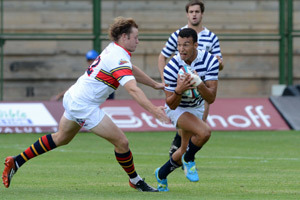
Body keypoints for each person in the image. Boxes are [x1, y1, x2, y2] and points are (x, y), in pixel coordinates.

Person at [2, 16, 169, 192]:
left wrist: (154, 84)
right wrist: (153, 110)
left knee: (61, 138)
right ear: (125, 37)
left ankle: (17, 161)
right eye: (135, 37)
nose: (138, 41)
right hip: (83, 105)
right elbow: (133, 89)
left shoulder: (116, 51)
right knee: (122, 142)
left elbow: (131, 69)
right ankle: (135, 180)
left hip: (75, 97)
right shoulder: (117, 56)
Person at [155, 28, 219, 191]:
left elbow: (211, 98)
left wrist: (199, 83)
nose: (181, 49)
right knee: (204, 132)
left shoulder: (210, 61)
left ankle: (161, 175)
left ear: (196, 45)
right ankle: (189, 160)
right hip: (177, 108)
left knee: (183, 148)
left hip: (196, 106)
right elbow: (170, 104)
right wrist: (179, 89)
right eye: (179, 45)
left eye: (186, 45)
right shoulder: (171, 67)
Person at [157, 0, 224, 157]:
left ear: (202, 14)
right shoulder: (178, 35)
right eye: (191, 12)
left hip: (201, 87)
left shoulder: (211, 37)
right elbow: (162, 57)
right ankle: (182, 151)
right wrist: (165, 81)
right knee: (197, 127)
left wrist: (217, 64)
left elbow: (219, 64)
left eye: (197, 12)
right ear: (187, 14)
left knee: (200, 125)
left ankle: (183, 153)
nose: (194, 14)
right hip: (182, 85)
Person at [51, 49, 116, 101]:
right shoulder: (89, 73)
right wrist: (59, 96)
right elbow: (76, 87)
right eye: (89, 60)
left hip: (104, 100)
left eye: (93, 59)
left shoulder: (102, 71)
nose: (91, 62)